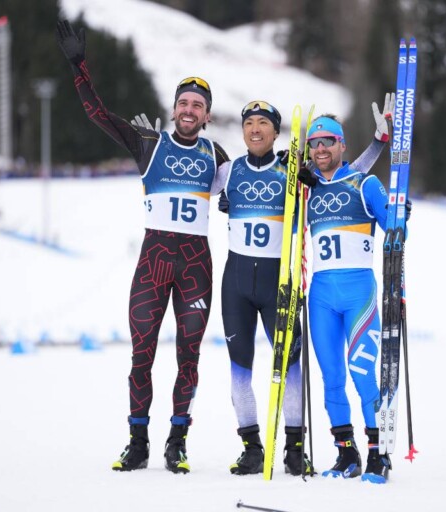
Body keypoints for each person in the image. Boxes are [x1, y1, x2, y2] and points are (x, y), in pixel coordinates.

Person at [56, 20, 230, 475]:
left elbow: (247, 196)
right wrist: (79, 66)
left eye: (198, 105)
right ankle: (137, 443)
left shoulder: (218, 156)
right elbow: (98, 115)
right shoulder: (148, 144)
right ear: (173, 109)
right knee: (141, 357)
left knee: (188, 358)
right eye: (184, 102)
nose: (190, 109)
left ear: (207, 115)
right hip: (153, 265)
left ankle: (177, 443)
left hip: (196, 266)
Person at [216, 100, 310, 476]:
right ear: (242, 131)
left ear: (275, 131)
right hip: (235, 284)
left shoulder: (291, 169)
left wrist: (380, 145)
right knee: (239, 368)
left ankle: (293, 447)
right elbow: (185, 180)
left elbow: (340, 175)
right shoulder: (230, 171)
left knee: (290, 365)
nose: (255, 129)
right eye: (249, 123)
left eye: (263, 123)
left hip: (278, 284)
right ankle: (252, 447)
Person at [301, 112, 397, 481]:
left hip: (359, 292)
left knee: (362, 373)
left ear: (342, 144)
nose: (321, 148)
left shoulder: (364, 183)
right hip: (321, 295)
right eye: (315, 142)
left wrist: (398, 215)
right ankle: (347, 453)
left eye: (329, 141)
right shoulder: (306, 191)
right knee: (332, 377)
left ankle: (378, 453)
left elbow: (392, 227)